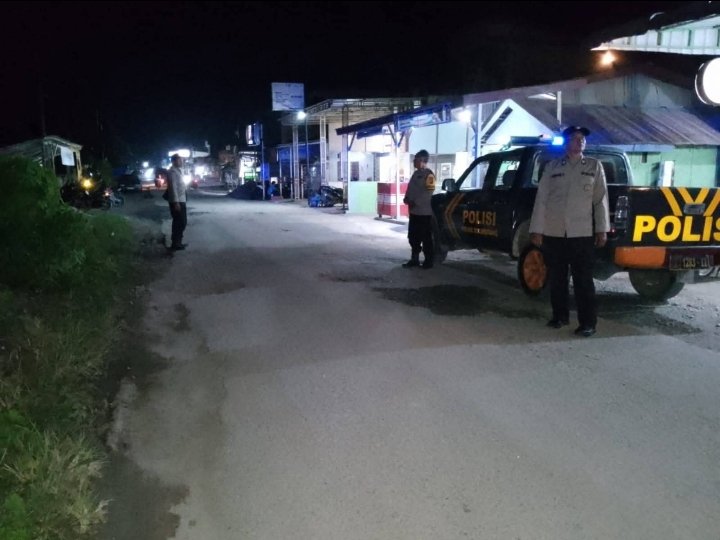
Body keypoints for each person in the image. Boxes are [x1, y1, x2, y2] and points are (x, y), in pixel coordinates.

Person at [529, 126, 609, 337]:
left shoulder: (593, 166)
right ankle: (560, 316)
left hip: (582, 233)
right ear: (566, 143)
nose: (579, 141)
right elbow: (542, 199)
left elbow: (600, 200)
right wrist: (537, 229)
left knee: (583, 280)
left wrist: (602, 229)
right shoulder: (553, 167)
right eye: (574, 138)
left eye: (582, 139)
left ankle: (588, 323)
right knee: (557, 278)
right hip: (554, 232)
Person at [402, 149, 436, 269]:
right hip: (414, 212)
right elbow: (410, 188)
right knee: (413, 237)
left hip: (424, 213)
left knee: (426, 238)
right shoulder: (415, 174)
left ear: (422, 160)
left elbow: (429, 192)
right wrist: (406, 198)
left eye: (415, 159)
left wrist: (415, 202)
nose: (413, 162)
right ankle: (414, 259)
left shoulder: (429, 175)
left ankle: (428, 261)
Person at [167, 153, 188, 251]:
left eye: (182, 160)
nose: (181, 162)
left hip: (182, 199)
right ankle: (175, 243)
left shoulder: (179, 171)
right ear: (174, 161)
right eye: (179, 160)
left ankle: (178, 242)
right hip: (177, 201)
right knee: (180, 222)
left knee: (181, 222)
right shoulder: (172, 172)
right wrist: (176, 202)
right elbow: (173, 188)